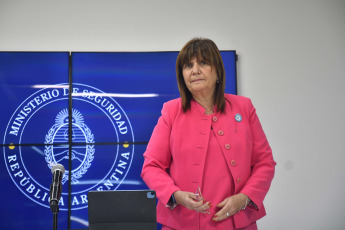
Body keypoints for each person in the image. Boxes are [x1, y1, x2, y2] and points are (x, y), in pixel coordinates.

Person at [141, 38, 276, 230]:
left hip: (237, 222)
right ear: (182, 76)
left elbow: (265, 163)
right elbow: (151, 166)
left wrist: (244, 198)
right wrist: (175, 195)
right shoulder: (171, 111)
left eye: (203, 63)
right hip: (182, 223)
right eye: (188, 65)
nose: (195, 70)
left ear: (218, 71)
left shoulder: (244, 108)